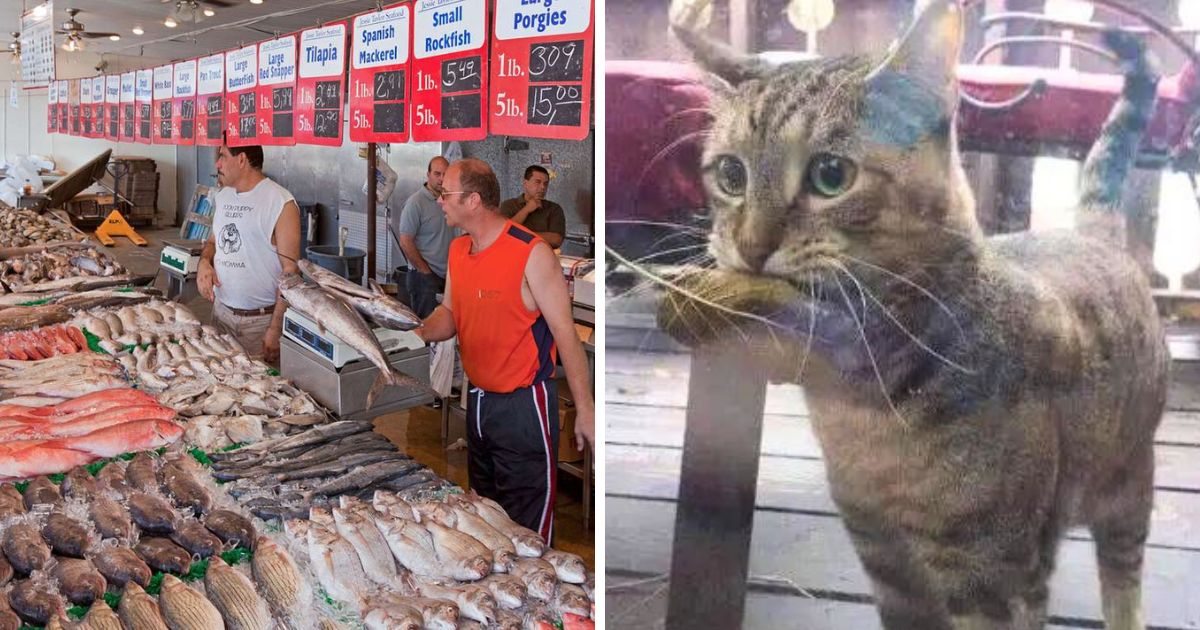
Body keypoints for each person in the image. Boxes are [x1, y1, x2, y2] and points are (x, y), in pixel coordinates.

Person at [417, 158, 595, 542]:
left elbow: (566, 335)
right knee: (486, 521)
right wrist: (407, 333)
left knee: (526, 534)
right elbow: (449, 315)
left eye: (446, 194)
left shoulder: (531, 253)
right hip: (478, 403)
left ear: (473, 200)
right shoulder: (459, 250)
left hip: (523, 409)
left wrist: (586, 410)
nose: (439, 201)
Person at [198, 141, 301, 366]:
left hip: (259, 324)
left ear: (242, 159)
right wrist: (204, 263)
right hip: (221, 314)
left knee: (256, 392)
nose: (217, 163)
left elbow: (290, 272)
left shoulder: (280, 202)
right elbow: (213, 241)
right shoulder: (223, 196)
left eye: (222, 156)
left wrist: (275, 328)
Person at [396, 156, 454, 318]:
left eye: (445, 174)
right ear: (428, 175)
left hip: (448, 276)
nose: (442, 179)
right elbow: (405, 242)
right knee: (426, 328)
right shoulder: (416, 203)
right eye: (437, 174)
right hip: (424, 279)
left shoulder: (449, 201)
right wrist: (426, 273)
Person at [499, 165, 566, 249]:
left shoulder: (554, 208)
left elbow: (556, 240)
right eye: (537, 182)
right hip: (514, 256)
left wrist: (519, 234)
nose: (543, 187)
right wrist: (526, 210)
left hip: (542, 258)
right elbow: (503, 233)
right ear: (525, 183)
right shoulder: (509, 205)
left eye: (546, 183)